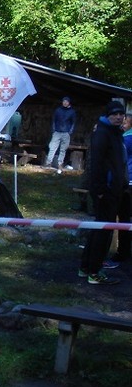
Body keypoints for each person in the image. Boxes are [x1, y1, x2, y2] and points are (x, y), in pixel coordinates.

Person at [79, 100, 127, 285]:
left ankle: (85, 267)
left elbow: (119, 163)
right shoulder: (102, 133)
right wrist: (99, 189)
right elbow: (95, 163)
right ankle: (94, 272)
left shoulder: (116, 133)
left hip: (115, 188)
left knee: (99, 229)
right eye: (114, 114)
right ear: (108, 115)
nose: (118, 117)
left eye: (121, 114)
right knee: (103, 232)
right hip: (105, 190)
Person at [111, 111, 132, 262]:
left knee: (124, 218)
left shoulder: (127, 139)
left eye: (125, 122)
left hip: (127, 182)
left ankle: (123, 252)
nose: (122, 124)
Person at [45, 96, 77, 173]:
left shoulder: (72, 112)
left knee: (63, 149)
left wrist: (70, 132)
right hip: (57, 132)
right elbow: (54, 120)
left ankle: (60, 164)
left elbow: (73, 122)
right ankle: (48, 163)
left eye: (66, 101)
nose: (65, 103)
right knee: (52, 147)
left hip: (66, 132)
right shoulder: (58, 110)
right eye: (64, 101)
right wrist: (54, 130)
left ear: (69, 103)